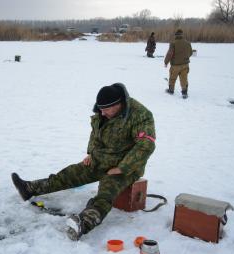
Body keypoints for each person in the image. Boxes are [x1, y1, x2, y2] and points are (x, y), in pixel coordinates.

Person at [11, 83, 156, 241]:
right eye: (100, 109)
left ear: (118, 104)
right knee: (70, 174)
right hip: (100, 159)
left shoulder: (139, 115)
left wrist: (122, 168)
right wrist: (91, 154)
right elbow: (96, 134)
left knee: (105, 193)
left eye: (106, 109)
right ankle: (29, 188)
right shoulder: (103, 112)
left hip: (125, 167)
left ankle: (83, 223)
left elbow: (146, 145)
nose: (102, 112)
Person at [164, 29, 193, 99]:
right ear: (182, 34)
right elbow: (191, 53)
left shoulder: (173, 43)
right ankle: (184, 92)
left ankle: (171, 90)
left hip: (175, 65)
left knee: (172, 78)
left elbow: (169, 54)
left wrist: (166, 62)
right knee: (184, 79)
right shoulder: (188, 43)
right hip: (185, 65)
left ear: (176, 35)